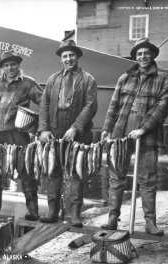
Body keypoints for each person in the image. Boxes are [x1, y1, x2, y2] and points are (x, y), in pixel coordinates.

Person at [100, 38, 168, 236]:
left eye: (146, 53)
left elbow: (162, 109)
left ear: (153, 55)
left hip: (147, 136)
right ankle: (112, 219)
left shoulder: (164, 80)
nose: (143, 57)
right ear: (135, 56)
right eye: (139, 54)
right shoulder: (124, 78)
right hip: (120, 134)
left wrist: (143, 128)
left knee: (147, 180)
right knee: (116, 178)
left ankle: (150, 223)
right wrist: (107, 129)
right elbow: (113, 106)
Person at [0, 50, 43, 221]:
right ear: (2, 67)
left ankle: (33, 211)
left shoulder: (29, 83)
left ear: (18, 65)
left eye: (13, 64)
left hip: (18, 135)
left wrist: (38, 125)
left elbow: (44, 103)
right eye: (6, 65)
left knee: (26, 171)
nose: (10, 68)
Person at [38, 39, 98, 227]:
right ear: (61, 59)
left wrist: (75, 127)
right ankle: (52, 211)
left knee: (75, 172)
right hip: (54, 130)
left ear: (77, 56)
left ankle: (74, 214)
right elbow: (44, 104)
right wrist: (44, 129)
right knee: (53, 170)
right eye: (65, 56)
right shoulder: (52, 79)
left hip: (78, 132)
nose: (68, 59)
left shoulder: (88, 79)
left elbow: (90, 106)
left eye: (71, 55)